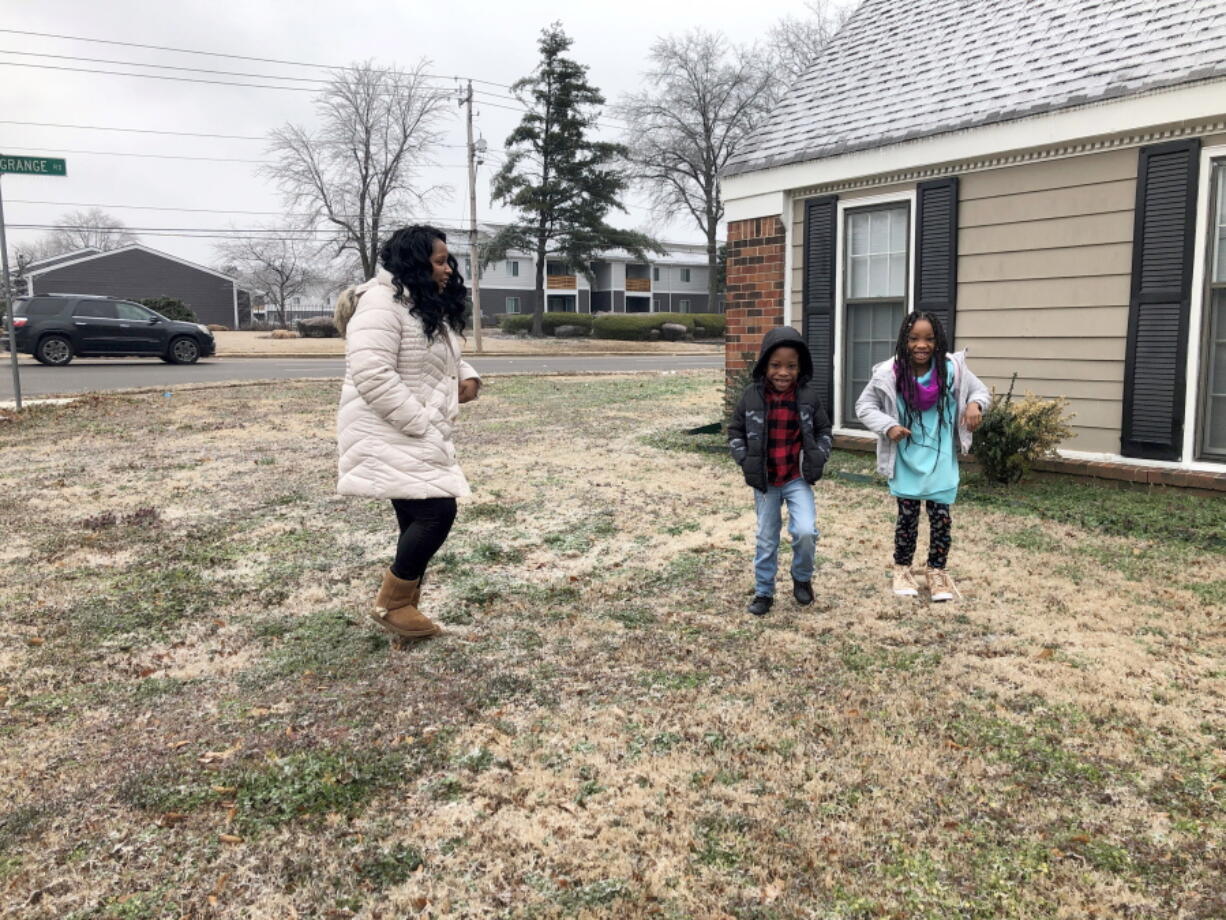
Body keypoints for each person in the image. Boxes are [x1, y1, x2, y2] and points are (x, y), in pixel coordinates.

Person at [334, 225, 481, 640]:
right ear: (414, 262)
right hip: (391, 427)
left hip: (414, 426)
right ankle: (393, 604)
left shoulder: (419, 302)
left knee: (416, 515)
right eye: (439, 261)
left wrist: (468, 378)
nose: (449, 268)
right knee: (438, 512)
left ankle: (405, 611)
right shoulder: (381, 303)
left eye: (449, 260)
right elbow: (372, 372)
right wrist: (418, 421)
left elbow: (438, 355)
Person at [854, 310, 989, 601]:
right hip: (906, 459)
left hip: (941, 459)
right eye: (914, 338)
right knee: (907, 518)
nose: (921, 345)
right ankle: (902, 569)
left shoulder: (952, 370)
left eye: (928, 338)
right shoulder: (889, 373)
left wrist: (974, 405)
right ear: (904, 340)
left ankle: (937, 572)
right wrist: (888, 426)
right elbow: (864, 406)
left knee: (941, 518)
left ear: (938, 341)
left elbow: (980, 392)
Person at [728, 327, 833, 616]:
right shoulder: (751, 396)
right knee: (766, 537)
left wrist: (820, 454)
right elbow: (734, 431)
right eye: (776, 365)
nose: (783, 372)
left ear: (801, 368)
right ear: (764, 365)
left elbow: (825, 430)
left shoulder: (809, 398)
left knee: (805, 531)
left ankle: (802, 577)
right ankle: (764, 592)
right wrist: (744, 458)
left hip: (796, 478)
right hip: (765, 481)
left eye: (791, 366)